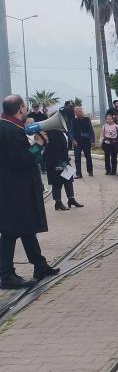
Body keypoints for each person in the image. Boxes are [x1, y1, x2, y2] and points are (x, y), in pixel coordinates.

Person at [0, 96, 61, 289]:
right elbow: (23, 161)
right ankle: (6, 274)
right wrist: (38, 145)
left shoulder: (6, 126)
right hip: (17, 189)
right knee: (11, 231)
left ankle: (39, 264)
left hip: (12, 188)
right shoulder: (11, 130)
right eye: (25, 107)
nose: (26, 109)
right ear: (19, 109)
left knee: (26, 228)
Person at [44, 123, 83, 211]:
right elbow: (53, 148)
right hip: (56, 161)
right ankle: (58, 202)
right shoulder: (51, 133)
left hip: (63, 160)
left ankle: (71, 199)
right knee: (57, 182)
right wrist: (61, 160)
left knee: (68, 180)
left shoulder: (61, 132)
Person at [70, 106, 95, 178]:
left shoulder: (87, 119)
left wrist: (92, 140)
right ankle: (78, 174)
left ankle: (90, 171)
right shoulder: (73, 120)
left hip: (86, 141)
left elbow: (91, 130)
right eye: (76, 112)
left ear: (82, 112)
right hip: (77, 142)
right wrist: (73, 140)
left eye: (79, 111)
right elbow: (71, 132)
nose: (78, 113)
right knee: (77, 158)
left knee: (88, 156)